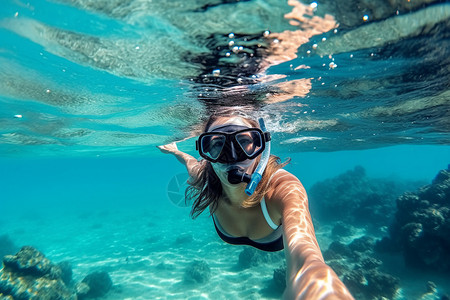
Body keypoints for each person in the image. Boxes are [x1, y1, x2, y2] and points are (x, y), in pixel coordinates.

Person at [158, 112, 354, 300]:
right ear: (207, 152)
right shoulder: (205, 177)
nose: (232, 156)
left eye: (243, 142)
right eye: (218, 144)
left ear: (260, 146)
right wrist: (175, 150)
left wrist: (319, 287)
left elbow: (307, 260)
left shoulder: (283, 188)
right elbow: (189, 161)